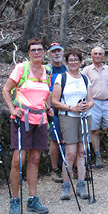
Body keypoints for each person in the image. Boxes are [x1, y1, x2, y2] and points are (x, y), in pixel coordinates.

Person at [1, 39, 51, 214]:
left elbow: (47, 93)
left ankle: (32, 198)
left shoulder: (48, 71)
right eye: (33, 50)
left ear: (44, 52)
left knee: (35, 159)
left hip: (41, 119)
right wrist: (12, 109)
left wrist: (49, 106)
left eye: (40, 50)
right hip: (22, 119)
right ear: (29, 53)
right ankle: (15, 200)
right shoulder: (22, 68)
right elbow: (6, 90)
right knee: (18, 160)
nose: (37, 53)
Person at [52, 48, 94, 200]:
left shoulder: (85, 79)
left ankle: (81, 184)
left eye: (76, 60)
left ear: (81, 62)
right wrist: (72, 108)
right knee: (70, 153)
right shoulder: (61, 78)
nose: (74, 62)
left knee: (82, 152)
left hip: (84, 117)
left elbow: (91, 100)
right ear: (67, 62)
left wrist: (86, 106)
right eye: (71, 60)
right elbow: (54, 102)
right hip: (68, 117)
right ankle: (66, 186)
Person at [45, 42, 66, 183]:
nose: (56, 54)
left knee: (69, 139)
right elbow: (45, 89)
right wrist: (48, 107)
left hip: (67, 107)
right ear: (49, 54)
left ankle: (69, 167)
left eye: (58, 51)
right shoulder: (47, 70)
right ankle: (54, 169)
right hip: (53, 109)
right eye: (53, 52)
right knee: (55, 139)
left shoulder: (67, 68)